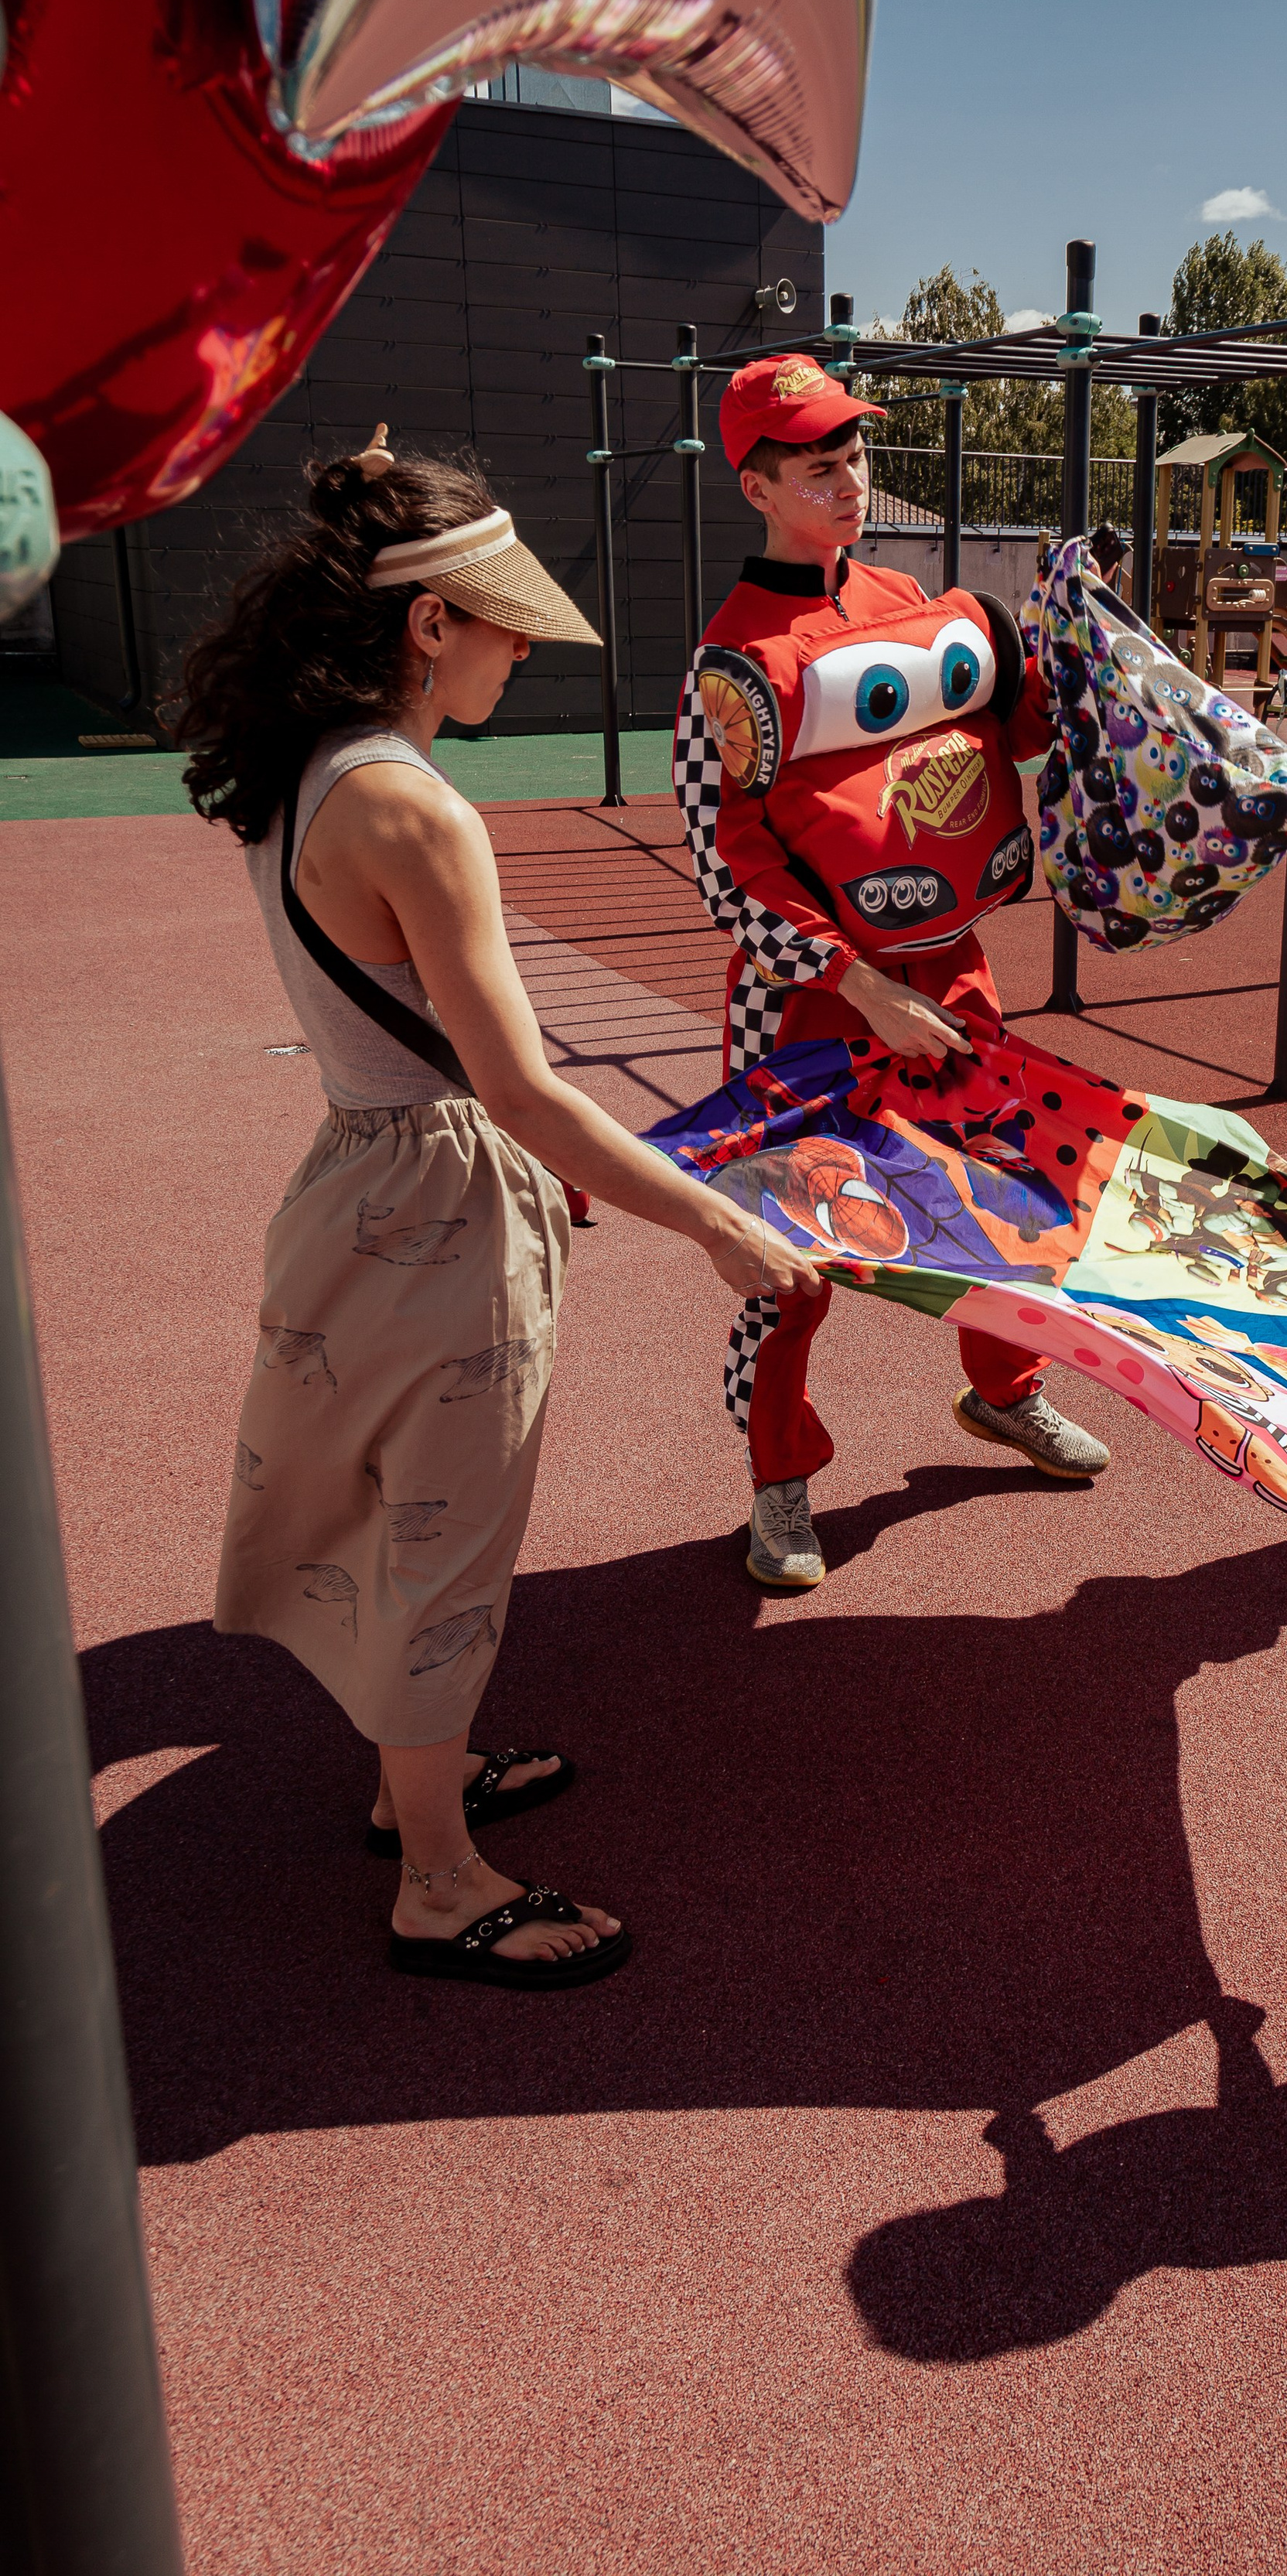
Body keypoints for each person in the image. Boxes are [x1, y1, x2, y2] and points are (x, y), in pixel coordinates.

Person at [179, 430, 820, 1989]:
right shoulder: (411, 805)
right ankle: (441, 1880)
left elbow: (436, 1054)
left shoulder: (300, 764)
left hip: (359, 1169)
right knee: (451, 1539)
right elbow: (521, 1088)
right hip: (439, 1199)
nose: (521, 647)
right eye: (501, 617)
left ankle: (423, 1780)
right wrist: (717, 1224)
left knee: (405, 1509)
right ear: (425, 623)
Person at [674, 354, 1111, 1593]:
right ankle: (780, 1481)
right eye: (820, 465)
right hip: (809, 1006)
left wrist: (1063, 661)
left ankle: (1007, 1394)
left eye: (857, 456)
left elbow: (998, 741)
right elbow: (726, 868)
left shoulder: (910, 598)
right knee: (790, 1256)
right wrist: (864, 988)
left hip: (956, 974)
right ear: (757, 484)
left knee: (1004, 1200)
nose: (852, 480)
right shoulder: (728, 664)